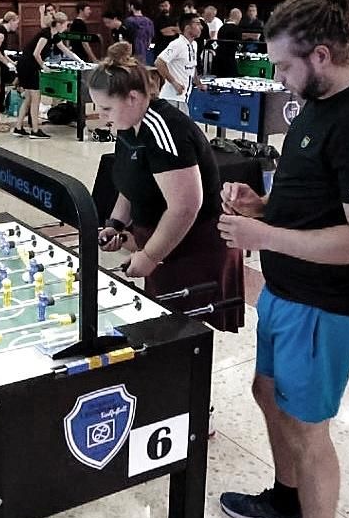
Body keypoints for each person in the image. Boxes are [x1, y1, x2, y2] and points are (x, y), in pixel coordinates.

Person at [213, 0, 349, 518]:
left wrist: (260, 238)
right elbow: (311, 207)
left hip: (326, 303)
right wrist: (261, 207)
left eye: (285, 65)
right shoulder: (317, 106)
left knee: (306, 425)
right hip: (288, 291)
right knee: (268, 393)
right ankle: (287, 500)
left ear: (321, 56)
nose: (280, 76)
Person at [91, 43, 243, 332]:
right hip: (165, 241)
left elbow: (185, 207)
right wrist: (116, 224)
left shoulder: (164, 129)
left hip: (195, 245)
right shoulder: (127, 126)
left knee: (182, 334)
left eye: (106, 107)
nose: (100, 115)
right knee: (160, 327)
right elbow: (130, 182)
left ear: (133, 98)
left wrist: (149, 257)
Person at [14, 11, 65, 138]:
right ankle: (35, 130)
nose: (66, 27)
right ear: (58, 24)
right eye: (65, 24)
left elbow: (65, 50)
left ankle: (18, 127)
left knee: (28, 98)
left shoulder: (55, 36)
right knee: (36, 98)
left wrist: (80, 62)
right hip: (28, 66)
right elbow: (36, 53)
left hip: (25, 64)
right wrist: (44, 66)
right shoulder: (46, 34)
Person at [155, 13, 202, 113]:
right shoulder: (177, 44)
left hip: (184, 97)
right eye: (197, 24)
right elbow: (159, 62)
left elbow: (192, 66)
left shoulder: (194, 44)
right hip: (172, 98)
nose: (201, 27)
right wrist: (174, 83)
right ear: (188, 27)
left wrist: (198, 83)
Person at [125, 0, 155, 65]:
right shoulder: (149, 21)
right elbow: (151, 38)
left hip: (134, 50)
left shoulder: (129, 21)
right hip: (146, 51)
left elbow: (128, 39)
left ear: (132, 6)